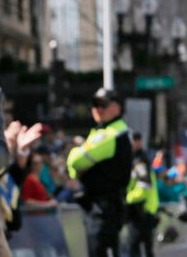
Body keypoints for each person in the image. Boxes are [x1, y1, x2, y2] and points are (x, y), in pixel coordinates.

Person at [67, 87, 132, 257]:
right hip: (102, 207)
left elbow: (75, 161)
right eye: (94, 105)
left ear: (117, 107)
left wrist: (76, 159)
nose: (97, 109)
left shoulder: (111, 134)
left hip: (104, 209)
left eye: (103, 104)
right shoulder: (106, 131)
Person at [124, 134, 158, 257]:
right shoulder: (137, 159)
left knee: (134, 247)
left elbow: (144, 187)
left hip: (141, 210)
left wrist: (126, 198)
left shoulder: (139, 161)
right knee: (145, 248)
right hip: (143, 210)